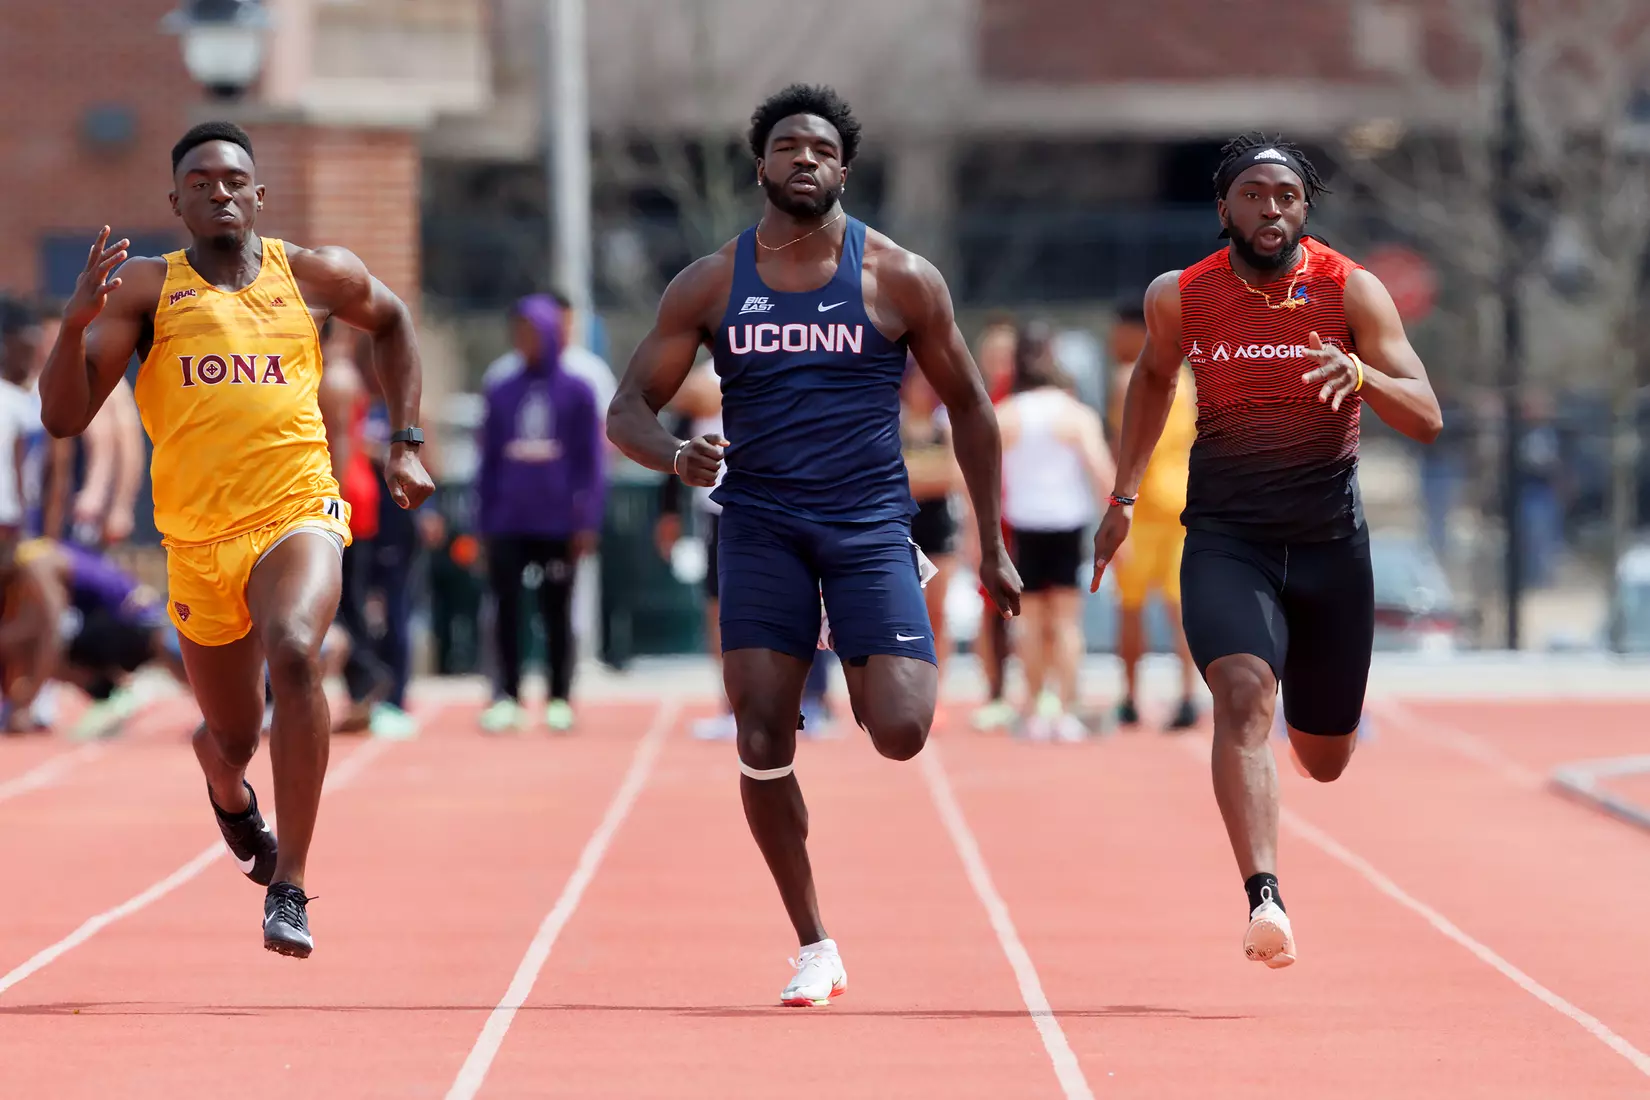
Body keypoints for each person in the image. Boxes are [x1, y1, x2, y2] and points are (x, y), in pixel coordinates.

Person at [607, 84, 1020, 1007]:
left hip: (871, 520)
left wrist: (991, 545)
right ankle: (814, 940)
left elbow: (972, 408)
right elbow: (626, 409)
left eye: (820, 149)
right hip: (759, 521)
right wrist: (678, 453)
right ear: (762, 166)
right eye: (786, 146)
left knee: (902, 732)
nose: (803, 159)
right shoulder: (712, 281)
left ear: (845, 168)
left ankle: (862, 618)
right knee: (759, 724)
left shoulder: (900, 276)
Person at [37, 121, 434, 958]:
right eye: (201, 180)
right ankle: (226, 789)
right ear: (175, 200)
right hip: (196, 540)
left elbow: (393, 320)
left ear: (260, 194)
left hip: (297, 510)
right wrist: (74, 327)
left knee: (295, 653)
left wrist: (405, 443)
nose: (219, 190)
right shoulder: (147, 290)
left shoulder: (314, 276)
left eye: (234, 178)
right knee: (231, 738)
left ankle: (289, 885)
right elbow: (64, 417)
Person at [1093, 133, 1442, 970]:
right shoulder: (1182, 296)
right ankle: (1265, 896)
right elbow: (1149, 382)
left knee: (1323, 758)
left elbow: (1427, 413)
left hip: (1328, 548)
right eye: (1254, 194)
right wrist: (1123, 496)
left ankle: (1305, 735)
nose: (1271, 209)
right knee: (1243, 694)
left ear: (1305, 209)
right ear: (1224, 208)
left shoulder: (1351, 290)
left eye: (1286, 196)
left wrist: (1360, 376)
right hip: (1226, 540)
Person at [477, 294, 604, 733]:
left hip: (558, 522)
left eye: (533, 332)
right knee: (506, 610)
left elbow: (591, 461)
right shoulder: (500, 389)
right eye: (519, 333)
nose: (524, 341)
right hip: (508, 519)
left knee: (556, 610)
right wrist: (483, 522)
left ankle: (559, 696)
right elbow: (487, 458)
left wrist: (586, 519)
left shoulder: (578, 390)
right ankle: (507, 695)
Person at [995, 322, 1113, 741]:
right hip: (1065, 524)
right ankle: (1062, 709)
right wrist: (1118, 518)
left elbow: (974, 474)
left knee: (1029, 624)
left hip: (1024, 523)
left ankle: (1031, 710)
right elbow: (1102, 472)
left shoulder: (1006, 414)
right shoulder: (1074, 414)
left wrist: (981, 532)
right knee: (1064, 623)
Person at [1104, 304, 1200, 731]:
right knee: (1182, 608)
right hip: (1182, 502)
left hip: (1138, 506)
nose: (1111, 343)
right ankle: (1187, 695)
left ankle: (1129, 697)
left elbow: (1118, 446)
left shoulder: (1128, 378)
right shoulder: (1190, 380)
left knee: (1131, 607)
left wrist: (1113, 503)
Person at [0, 535, 185, 738]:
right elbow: (26, 627)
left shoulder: (36, 565)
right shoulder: (28, 556)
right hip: (113, 620)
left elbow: (51, 633)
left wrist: (23, 704)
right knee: (26, 643)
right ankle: (111, 692)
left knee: (41, 647)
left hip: (136, 619)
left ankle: (118, 694)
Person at [899, 362, 959, 677]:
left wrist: (915, 474)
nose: (925, 390)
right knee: (908, 610)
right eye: (919, 384)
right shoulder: (893, 425)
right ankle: (910, 676)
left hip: (939, 528)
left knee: (937, 610)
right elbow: (893, 479)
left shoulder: (943, 427)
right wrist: (926, 475)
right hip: (906, 526)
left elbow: (951, 476)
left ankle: (937, 682)